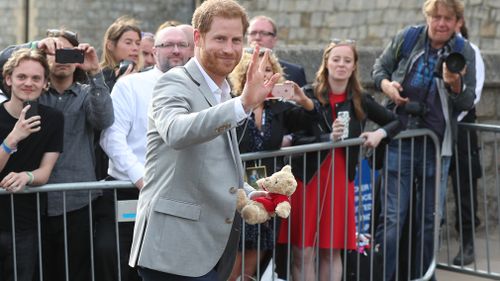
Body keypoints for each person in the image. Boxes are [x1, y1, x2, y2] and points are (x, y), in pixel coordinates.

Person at [128, 0, 281, 280]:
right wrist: (243, 104)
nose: (229, 48)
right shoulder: (173, 82)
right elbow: (175, 131)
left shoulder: (223, 90)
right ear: (198, 38)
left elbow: (214, 161)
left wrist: (249, 193)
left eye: (236, 40)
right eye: (220, 38)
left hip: (208, 250)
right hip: (174, 251)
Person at [278, 40, 402, 281]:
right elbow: (294, 134)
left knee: (331, 251)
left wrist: (379, 133)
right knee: (303, 251)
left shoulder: (359, 98)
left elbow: (396, 121)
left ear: (354, 65)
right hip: (308, 179)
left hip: (340, 181)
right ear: (326, 62)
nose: (341, 65)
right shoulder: (308, 94)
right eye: (336, 59)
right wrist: (326, 137)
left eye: (347, 60)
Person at [371, 0, 476, 279]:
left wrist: (454, 83)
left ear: (457, 23)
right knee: (392, 219)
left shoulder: (463, 51)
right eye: (436, 17)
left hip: (436, 146)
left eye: (448, 18)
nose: (441, 23)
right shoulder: (407, 38)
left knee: (430, 220)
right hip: (400, 139)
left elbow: (467, 100)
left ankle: (423, 276)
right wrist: (387, 87)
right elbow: (378, 69)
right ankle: (384, 276)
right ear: (427, 17)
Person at [0, 29, 114, 281]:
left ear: (78, 57)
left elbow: (104, 119)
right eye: (55, 51)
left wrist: (95, 72)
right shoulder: (32, 90)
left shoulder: (87, 93)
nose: (61, 58)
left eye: (68, 52)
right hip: (32, 202)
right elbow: (7, 64)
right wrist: (33, 45)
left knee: (75, 272)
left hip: (75, 199)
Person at [96, 25, 191, 281]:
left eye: (182, 45)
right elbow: (111, 138)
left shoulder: (204, 88)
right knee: (122, 263)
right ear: (154, 50)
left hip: (181, 195)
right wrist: (142, 178)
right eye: (167, 45)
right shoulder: (130, 86)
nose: (175, 50)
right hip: (130, 191)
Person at [227, 48, 314, 281]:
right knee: (231, 264)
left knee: (251, 265)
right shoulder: (233, 104)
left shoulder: (278, 109)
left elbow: (312, 125)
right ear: (245, 74)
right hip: (237, 190)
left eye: (269, 69)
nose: (264, 74)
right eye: (258, 69)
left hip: (266, 192)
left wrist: (303, 100)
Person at [0, 48, 64, 281]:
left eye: (36, 78)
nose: (29, 83)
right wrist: (12, 138)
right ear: (8, 79)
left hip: (25, 223)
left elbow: (45, 172)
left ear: (45, 83)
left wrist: (27, 176)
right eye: (21, 77)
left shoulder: (54, 119)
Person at [448, 19, 484, 266]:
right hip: (437, 126)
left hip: (461, 127)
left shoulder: (472, 52)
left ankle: (468, 241)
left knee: (464, 186)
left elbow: (475, 91)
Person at [96, 16, 142, 181]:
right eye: (128, 42)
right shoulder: (99, 77)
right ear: (110, 45)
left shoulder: (144, 76)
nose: (135, 48)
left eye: (138, 43)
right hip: (104, 161)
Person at [247, 15, 307, 87]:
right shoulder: (232, 69)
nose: (257, 37)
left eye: (264, 33)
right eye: (253, 33)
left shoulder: (294, 73)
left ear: (274, 40)